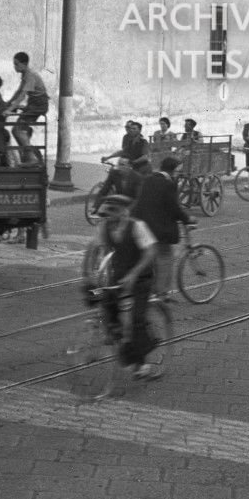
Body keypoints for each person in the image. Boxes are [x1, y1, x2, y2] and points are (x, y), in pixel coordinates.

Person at [83, 195, 163, 380]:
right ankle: (122, 342)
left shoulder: (137, 226)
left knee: (137, 319)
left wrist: (134, 274)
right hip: (118, 278)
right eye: (105, 214)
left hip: (141, 278)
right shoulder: (105, 227)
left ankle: (143, 363)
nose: (107, 218)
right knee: (99, 298)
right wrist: (88, 276)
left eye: (111, 213)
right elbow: (94, 248)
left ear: (122, 212)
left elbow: (151, 251)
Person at [130, 155, 194, 299]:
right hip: (157, 228)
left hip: (141, 226)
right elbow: (175, 208)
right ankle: (161, 293)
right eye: (178, 171)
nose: (178, 174)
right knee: (165, 257)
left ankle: (149, 288)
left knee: (150, 257)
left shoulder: (148, 179)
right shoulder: (169, 184)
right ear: (172, 170)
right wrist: (188, 218)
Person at [5, 52, 50, 164]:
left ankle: (32, 157)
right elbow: (18, 91)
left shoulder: (30, 75)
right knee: (22, 130)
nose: (15, 67)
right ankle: (29, 154)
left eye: (16, 64)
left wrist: (10, 109)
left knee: (17, 130)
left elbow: (22, 95)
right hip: (34, 103)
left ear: (24, 64)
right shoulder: (25, 74)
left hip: (38, 104)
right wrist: (8, 103)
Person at [98, 120, 152, 200]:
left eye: (134, 129)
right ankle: (97, 205)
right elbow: (122, 152)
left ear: (139, 130)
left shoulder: (143, 142)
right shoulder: (129, 141)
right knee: (114, 173)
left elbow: (145, 156)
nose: (131, 130)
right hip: (130, 166)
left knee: (132, 182)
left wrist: (134, 162)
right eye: (131, 128)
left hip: (141, 167)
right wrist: (108, 157)